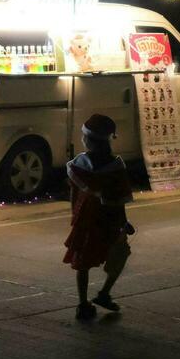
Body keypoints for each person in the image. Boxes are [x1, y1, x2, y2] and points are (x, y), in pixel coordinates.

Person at [62, 113, 136, 320]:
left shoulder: (78, 165)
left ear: (87, 139)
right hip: (110, 218)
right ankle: (104, 293)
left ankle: (82, 303)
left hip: (86, 218)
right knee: (118, 254)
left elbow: (73, 195)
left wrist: (74, 216)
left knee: (83, 261)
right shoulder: (116, 167)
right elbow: (120, 198)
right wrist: (123, 222)